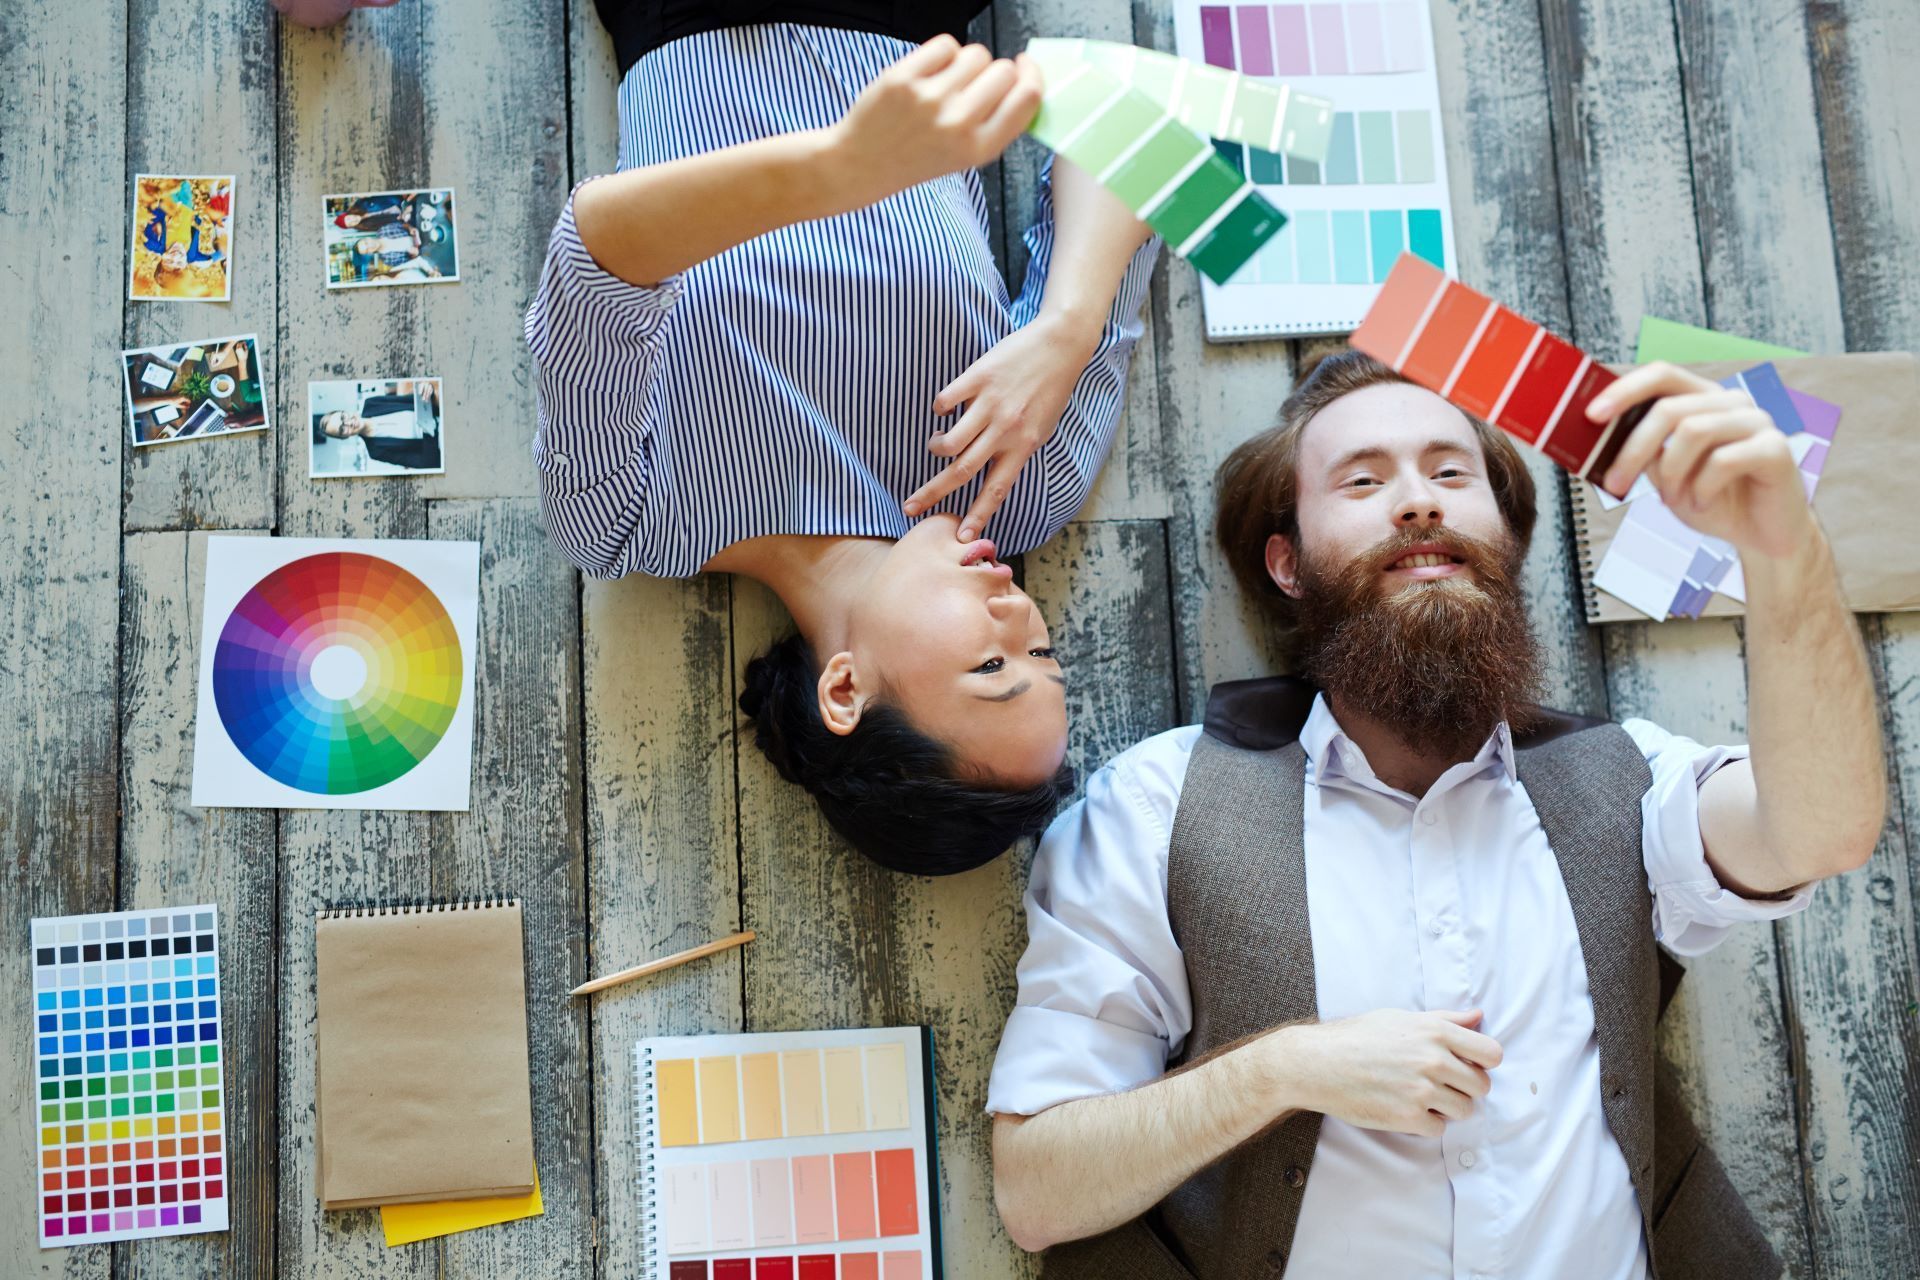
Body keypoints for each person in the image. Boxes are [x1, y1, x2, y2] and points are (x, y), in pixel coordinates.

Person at [986, 351, 1884, 1278]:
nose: (1419, 501)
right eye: (1364, 480)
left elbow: (1820, 832)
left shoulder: (1631, 778)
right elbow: (1037, 1192)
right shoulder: (1157, 804)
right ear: (1288, 565)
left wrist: (1784, 544)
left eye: (1451, 473)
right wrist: (1284, 1069)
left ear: (1503, 538)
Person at [524, 7, 1160, 874]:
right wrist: (1068, 327)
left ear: (847, 687)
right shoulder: (1023, 481)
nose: (1019, 611)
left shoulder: (629, 519)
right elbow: (1133, 111)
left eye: (990, 663)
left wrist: (842, 167)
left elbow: (594, 250)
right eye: (1043, 651)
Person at [314, 384, 442, 472]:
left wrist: (426, 389)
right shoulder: (375, 452)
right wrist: (428, 429)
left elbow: (413, 400)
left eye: (343, 417)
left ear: (344, 411)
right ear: (344, 437)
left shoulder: (371, 403)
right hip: (442, 446)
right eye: (342, 429)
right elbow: (427, 464)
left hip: (443, 412)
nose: (348, 423)